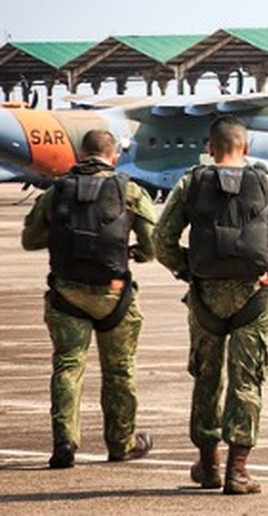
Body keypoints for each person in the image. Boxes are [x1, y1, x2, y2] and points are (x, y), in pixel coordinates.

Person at [152, 115, 268, 494]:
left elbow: (161, 240)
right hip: (254, 297)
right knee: (247, 380)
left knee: (206, 378)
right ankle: (238, 472)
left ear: (210, 148)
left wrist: (187, 269)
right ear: (247, 147)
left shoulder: (191, 182)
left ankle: (209, 466)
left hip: (206, 296)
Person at [21, 129, 156, 469]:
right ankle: (121, 443)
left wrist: (63, 238)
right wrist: (135, 253)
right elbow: (154, 245)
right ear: (114, 156)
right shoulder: (130, 191)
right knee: (120, 370)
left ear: (81, 155)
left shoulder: (57, 191)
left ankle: (65, 441)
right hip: (114, 294)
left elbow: (30, 239)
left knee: (68, 366)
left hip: (67, 292)